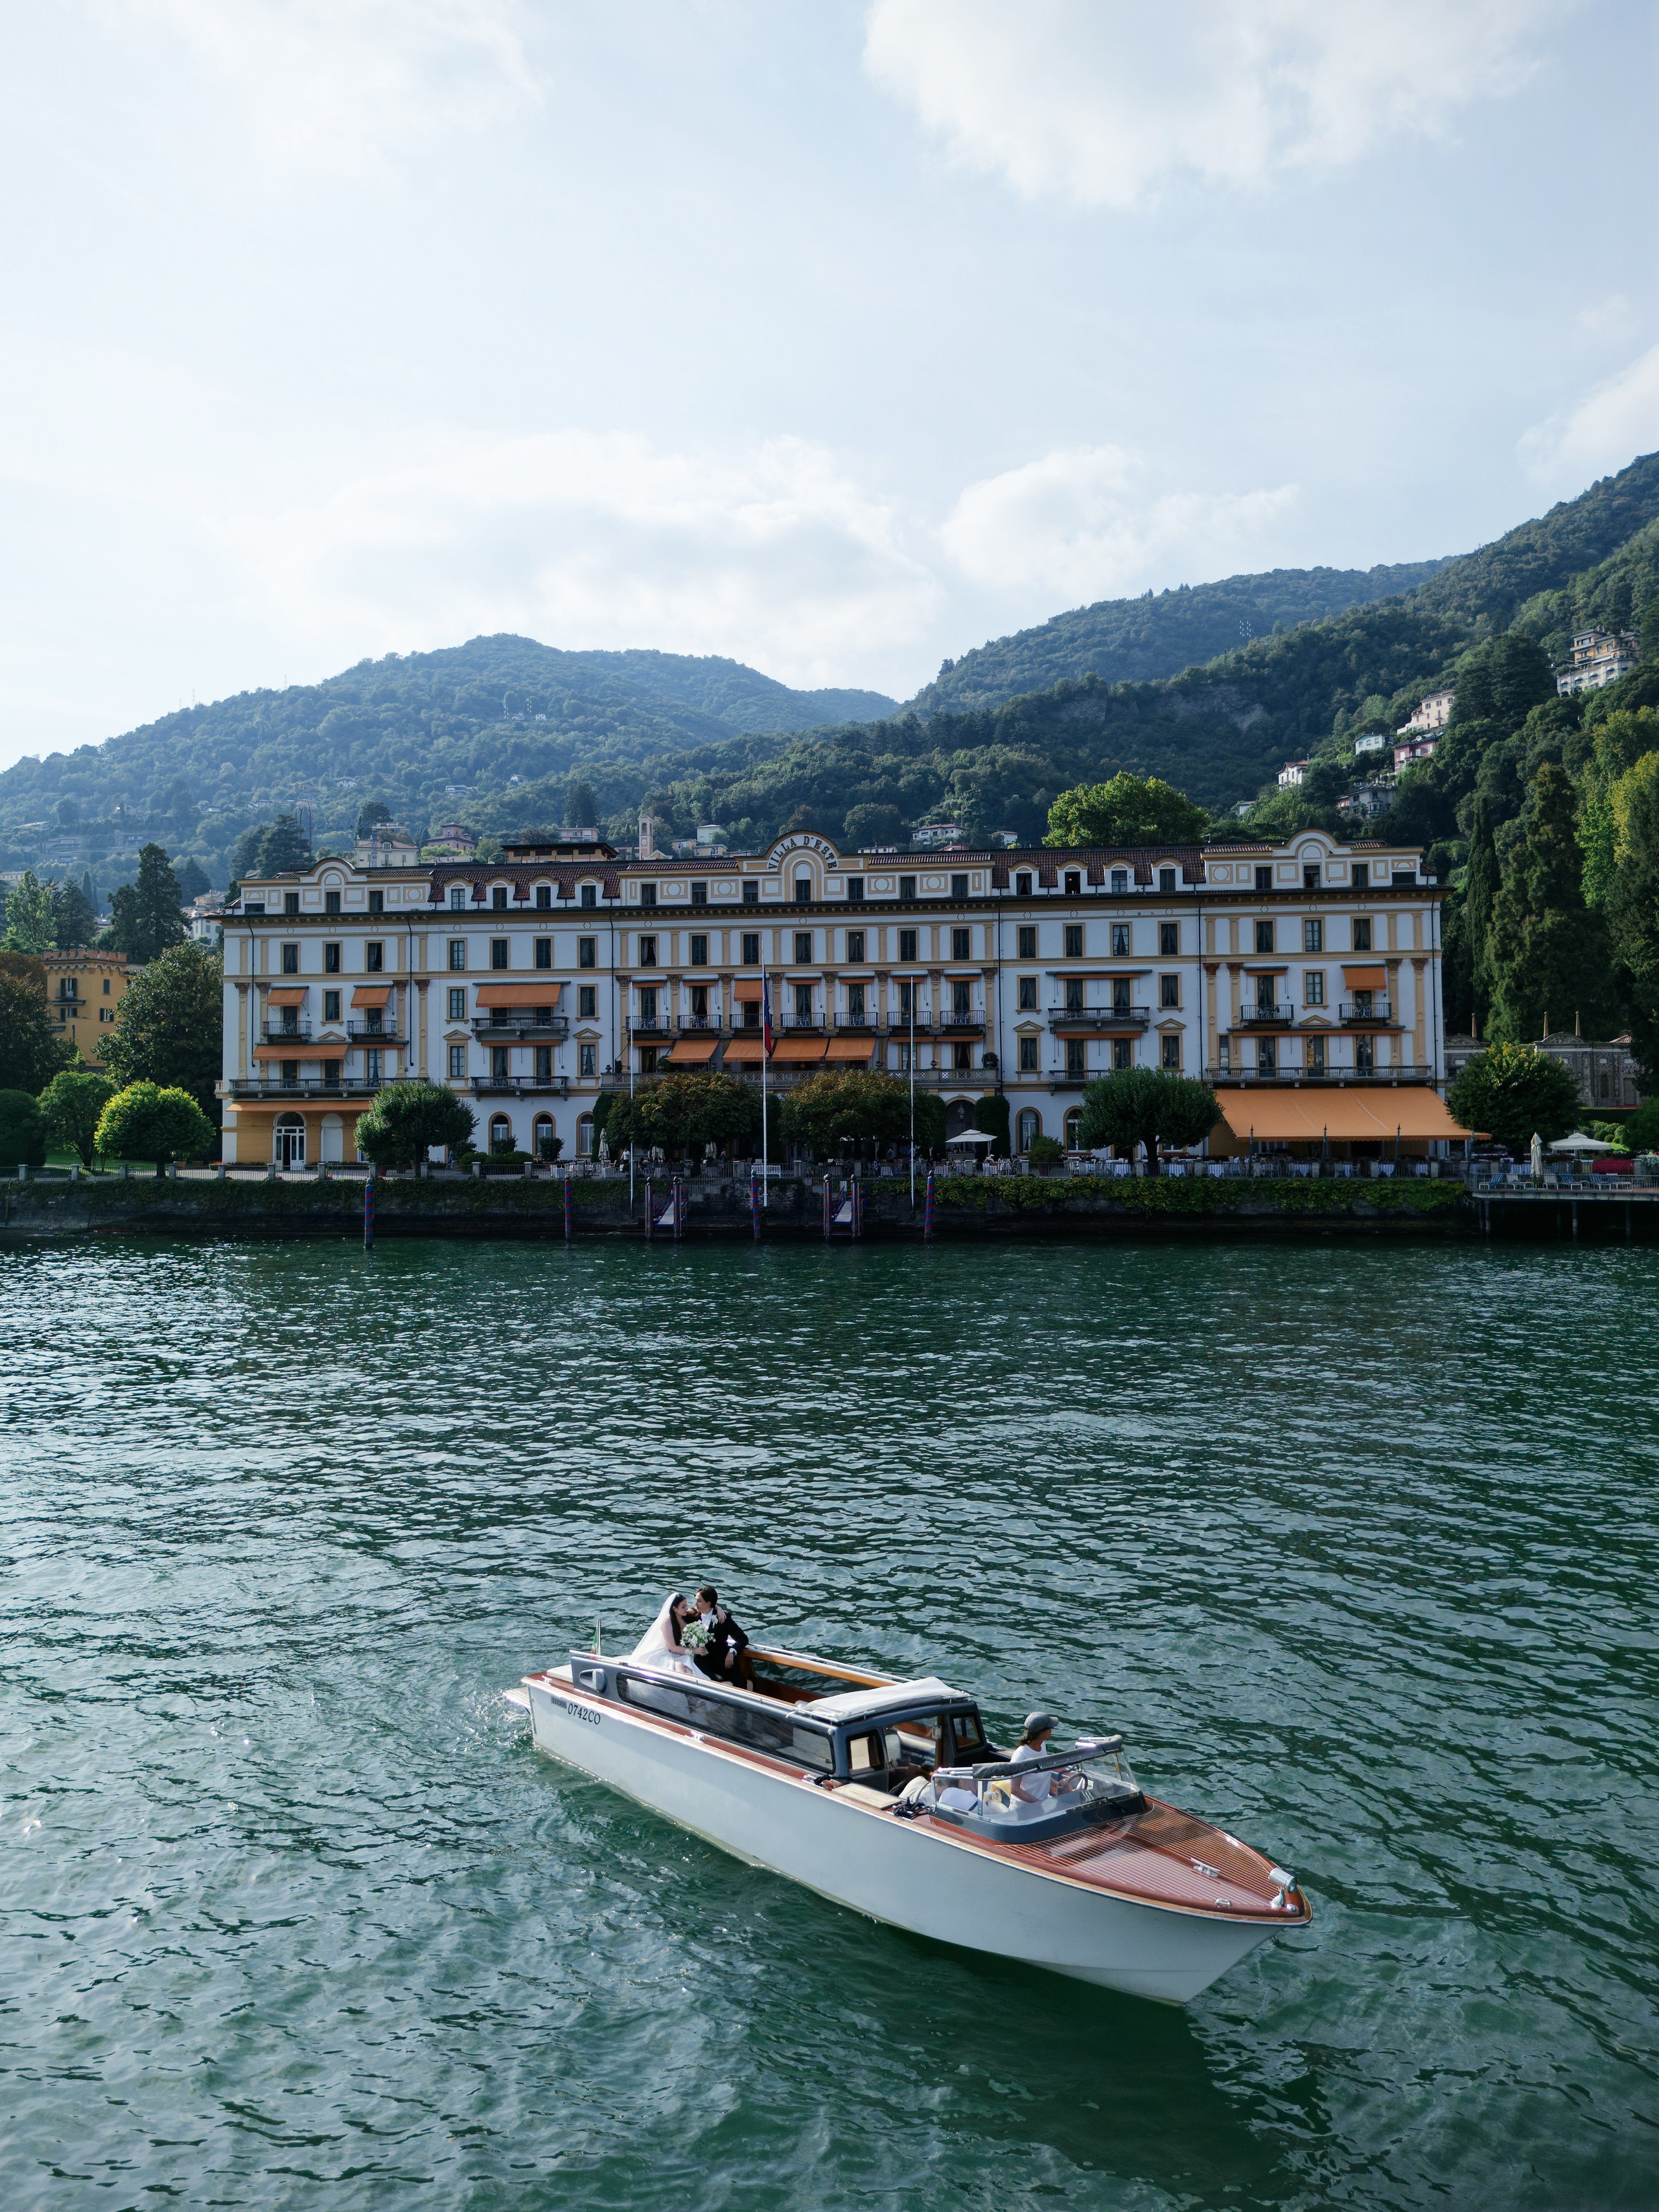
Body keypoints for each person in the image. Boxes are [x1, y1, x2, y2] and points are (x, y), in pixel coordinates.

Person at [690, 1585, 754, 1687]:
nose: (695, 1604)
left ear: (708, 1603)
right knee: (714, 1684)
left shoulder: (723, 1617)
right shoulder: (693, 1615)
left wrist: (732, 1651)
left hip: (722, 1660)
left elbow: (743, 1639)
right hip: (702, 1661)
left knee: (741, 1681)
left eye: (699, 1601)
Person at [627, 1593, 698, 1677]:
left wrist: (718, 1609)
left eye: (687, 1606)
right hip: (663, 1652)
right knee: (679, 1666)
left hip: (677, 1652)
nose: (686, 1609)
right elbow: (673, 1648)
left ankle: (692, 1686)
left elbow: (700, 1610)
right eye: (683, 1607)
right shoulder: (667, 1622)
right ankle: (679, 1687)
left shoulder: (685, 1617)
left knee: (689, 1668)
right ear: (675, 1608)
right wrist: (694, 1651)